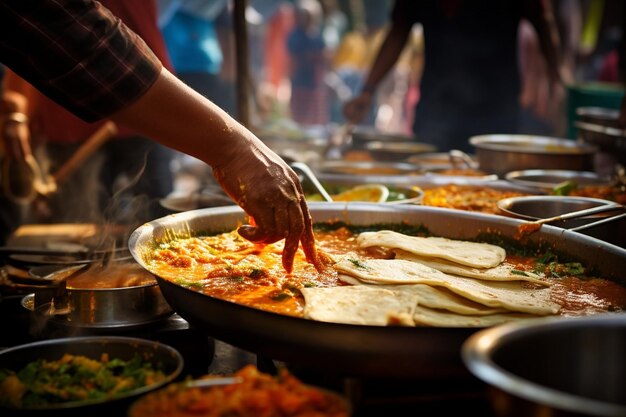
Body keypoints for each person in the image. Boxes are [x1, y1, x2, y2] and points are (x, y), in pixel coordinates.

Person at [0, 0, 319, 273]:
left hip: (154, 115)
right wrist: (236, 149)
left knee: (152, 218)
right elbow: (57, 28)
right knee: (70, 241)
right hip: (74, 113)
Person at [1, 0, 179, 227]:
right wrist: (18, 112)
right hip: (72, 110)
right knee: (75, 225)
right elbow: (34, 28)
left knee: (162, 220)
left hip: (144, 101)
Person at [343, 0, 566, 153]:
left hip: (496, 112)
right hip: (435, 112)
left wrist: (556, 81)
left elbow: (542, 20)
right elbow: (399, 30)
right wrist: (368, 90)